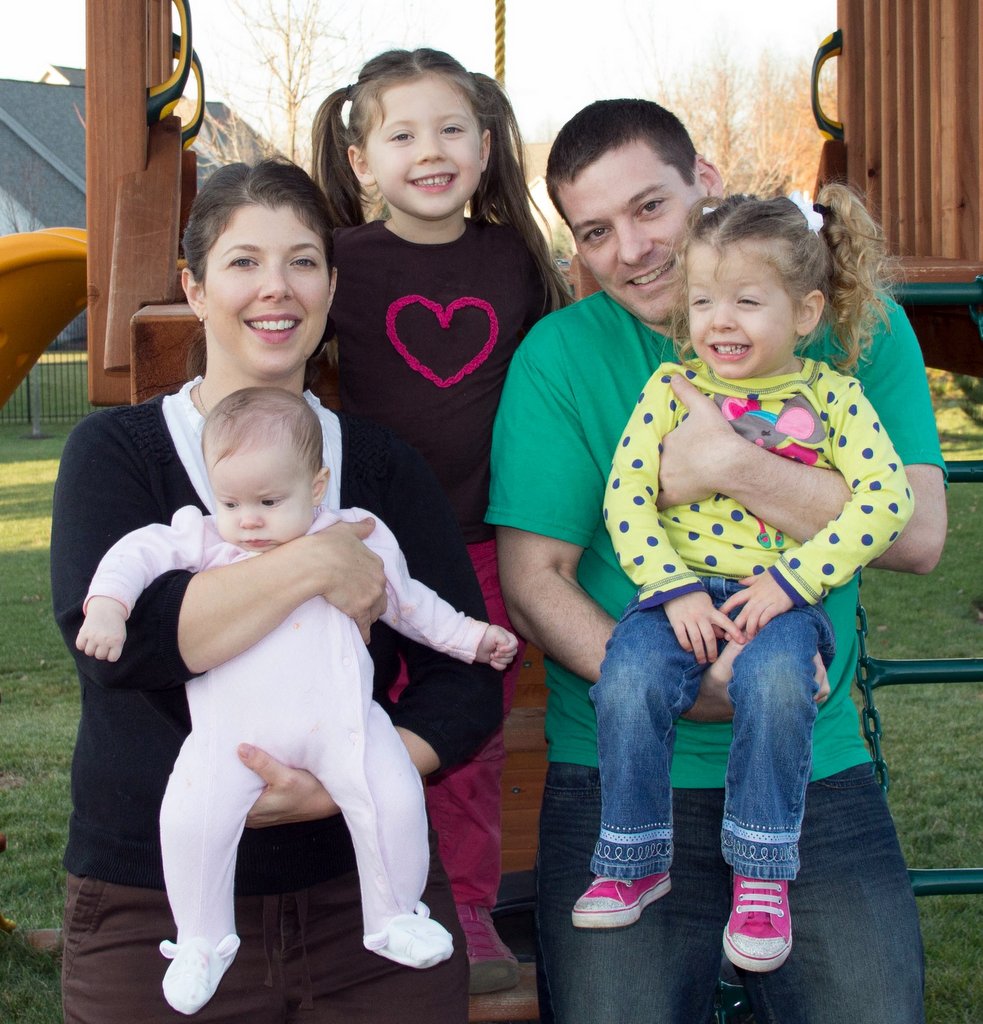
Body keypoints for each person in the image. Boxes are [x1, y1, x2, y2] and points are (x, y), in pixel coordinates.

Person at [487, 99, 946, 1023]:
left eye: (650, 207)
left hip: (810, 755)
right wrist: (683, 685)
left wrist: (731, 465)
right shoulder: (563, 358)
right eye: (596, 231)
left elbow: (919, 534)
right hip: (624, 759)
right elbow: (536, 580)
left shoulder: (850, 327)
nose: (632, 250)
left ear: (704, 181)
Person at [52, 158, 502, 1024]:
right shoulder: (116, 454)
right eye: (244, 261)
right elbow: (126, 647)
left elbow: (467, 672)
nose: (276, 288)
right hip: (155, 900)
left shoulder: (375, 467)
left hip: (360, 899)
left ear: (331, 287)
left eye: (301, 261)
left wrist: (344, 782)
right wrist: (311, 565)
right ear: (194, 285)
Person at [75, 386, 518, 1015]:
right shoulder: (206, 539)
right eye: (229, 500)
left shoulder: (357, 532)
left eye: (267, 501)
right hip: (231, 741)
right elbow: (135, 554)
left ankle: (393, 914)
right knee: (189, 819)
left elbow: (415, 605)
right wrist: (109, 607)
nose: (247, 519)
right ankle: (200, 939)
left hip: (344, 729)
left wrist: (473, 639)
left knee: (391, 798)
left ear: (316, 488)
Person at [572, 190, 914, 977]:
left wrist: (794, 581)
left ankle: (761, 871)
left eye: (745, 301)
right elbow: (626, 495)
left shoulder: (833, 398)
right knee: (625, 679)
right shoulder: (668, 392)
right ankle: (632, 855)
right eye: (701, 302)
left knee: (778, 685)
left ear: (803, 312)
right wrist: (671, 588)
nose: (718, 321)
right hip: (679, 594)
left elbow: (888, 502)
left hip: (781, 596)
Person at [311, 47, 570, 993]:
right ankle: (361, 899)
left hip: (486, 546)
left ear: (487, 142)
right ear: (360, 161)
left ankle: (465, 902)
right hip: (370, 549)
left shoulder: (515, 259)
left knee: (470, 733)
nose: (432, 150)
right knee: (357, 718)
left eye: (451, 128)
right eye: (403, 133)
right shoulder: (340, 262)